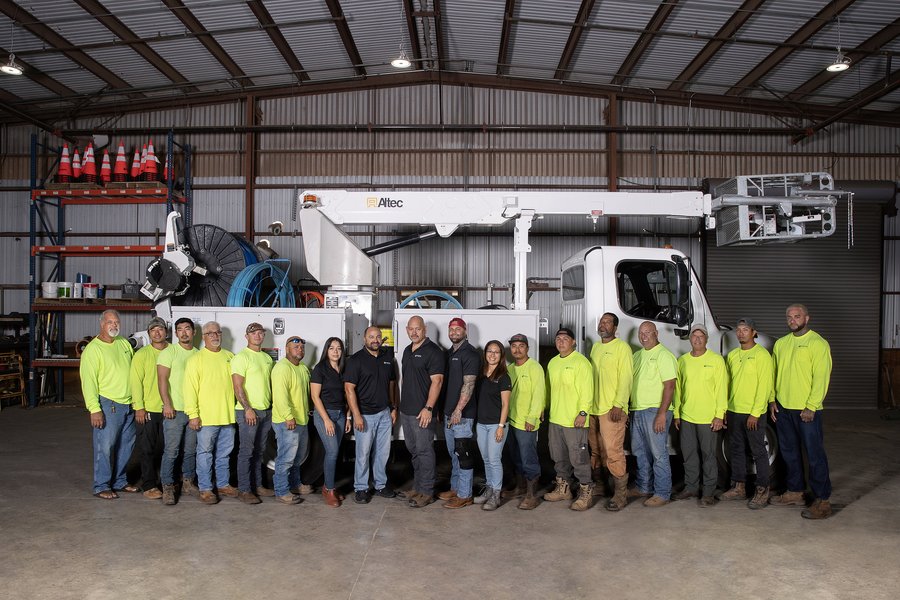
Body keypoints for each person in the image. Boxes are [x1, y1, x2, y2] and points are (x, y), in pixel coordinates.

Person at [770, 304, 834, 519]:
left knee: (814, 455)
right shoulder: (781, 344)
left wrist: (811, 405)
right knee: (789, 453)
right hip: (784, 408)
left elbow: (821, 377)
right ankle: (795, 491)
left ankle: (822, 500)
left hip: (807, 411)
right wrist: (772, 400)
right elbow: (774, 374)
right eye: (789, 317)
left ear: (807, 318)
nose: (793, 320)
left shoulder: (817, 343)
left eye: (797, 316)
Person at [80, 310, 137, 499]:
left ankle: (119, 481)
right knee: (105, 447)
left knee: (126, 446)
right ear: (101, 324)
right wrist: (94, 409)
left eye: (116, 322)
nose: (114, 325)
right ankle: (101, 485)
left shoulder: (123, 343)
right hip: (108, 404)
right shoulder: (93, 350)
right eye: (109, 322)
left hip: (129, 404)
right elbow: (88, 382)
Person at [722, 318, 774, 509]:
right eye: (739, 330)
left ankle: (762, 490)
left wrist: (755, 413)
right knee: (736, 449)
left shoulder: (762, 355)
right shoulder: (733, 355)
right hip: (735, 410)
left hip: (753, 413)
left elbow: (764, 386)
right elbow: (728, 385)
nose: (741, 333)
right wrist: (726, 408)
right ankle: (739, 487)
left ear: (754, 333)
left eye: (746, 329)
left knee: (758, 451)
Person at [184, 321, 237, 505]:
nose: (214, 336)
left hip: (228, 416)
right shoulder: (196, 360)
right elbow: (189, 390)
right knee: (205, 453)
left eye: (217, 332)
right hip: (206, 418)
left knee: (224, 453)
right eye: (210, 333)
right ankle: (206, 489)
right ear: (204, 337)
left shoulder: (230, 356)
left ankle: (222, 484)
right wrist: (193, 414)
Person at [673, 324, 726, 506]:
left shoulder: (716, 360)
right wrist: (677, 413)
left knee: (708, 455)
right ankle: (691, 487)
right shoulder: (682, 361)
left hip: (708, 417)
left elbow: (721, 390)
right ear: (690, 339)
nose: (697, 339)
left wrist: (719, 415)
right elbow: (678, 390)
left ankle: (709, 492)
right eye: (694, 336)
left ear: (706, 339)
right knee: (688, 454)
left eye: (701, 336)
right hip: (687, 416)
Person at [344, 326, 398, 505]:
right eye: (371, 336)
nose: (375, 339)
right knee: (363, 454)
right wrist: (356, 415)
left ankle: (381, 485)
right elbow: (349, 389)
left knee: (383, 453)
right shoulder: (355, 360)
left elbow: (392, 385)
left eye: (378, 336)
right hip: (365, 415)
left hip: (384, 414)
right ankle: (361, 488)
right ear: (364, 339)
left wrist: (393, 407)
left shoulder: (387, 359)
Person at [544, 327, 595, 511]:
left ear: (573, 342)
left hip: (575, 420)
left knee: (579, 458)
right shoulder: (553, 363)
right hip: (556, 418)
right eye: (558, 338)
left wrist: (583, 413)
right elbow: (549, 389)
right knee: (558, 456)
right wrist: (545, 407)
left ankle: (586, 491)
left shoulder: (581, 362)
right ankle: (563, 488)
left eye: (565, 338)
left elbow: (587, 390)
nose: (561, 341)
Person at [587, 313, 633, 512]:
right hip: (593, 408)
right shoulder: (596, 347)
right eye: (601, 321)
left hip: (611, 409)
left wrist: (619, 404)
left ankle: (620, 494)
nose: (602, 324)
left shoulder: (622, 348)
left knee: (613, 452)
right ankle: (600, 485)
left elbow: (626, 378)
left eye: (607, 322)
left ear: (615, 327)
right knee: (596, 450)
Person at [399, 315, 445, 508]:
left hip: (423, 412)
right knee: (414, 450)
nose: (414, 332)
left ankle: (427, 491)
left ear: (424, 329)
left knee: (425, 450)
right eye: (411, 329)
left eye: (418, 328)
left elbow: (438, 381)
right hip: (406, 411)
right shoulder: (407, 350)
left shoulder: (434, 351)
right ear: (407, 330)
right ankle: (418, 487)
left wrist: (428, 408)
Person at [630, 321, 677, 507]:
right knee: (640, 452)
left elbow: (670, 386)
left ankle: (662, 492)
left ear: (656, 333)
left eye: (648, 332)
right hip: (638, 410)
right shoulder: (637, 356)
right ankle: (643, 487)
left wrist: (662, 413)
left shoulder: (664, 355)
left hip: (655, 411)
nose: (643, 336)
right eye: (641, 333)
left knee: (658, 454)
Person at [438, 317, 480, 509]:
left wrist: (458, 410)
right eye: (451, 329)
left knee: (463, 453)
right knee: (453, 453)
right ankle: (456, 488)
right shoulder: (449, 353)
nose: (454, 332)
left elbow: (468, 384)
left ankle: (465, 495)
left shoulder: (470, 353)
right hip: (449, 413)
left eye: (458, 329)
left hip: (462, 414)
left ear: (465, 332)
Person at [157, 317, 200, 505]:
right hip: (174, 411)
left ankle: (188, 483)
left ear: (194, 332)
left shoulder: (198, 354)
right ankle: (167, 486)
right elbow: (162, 380)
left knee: (191, 450)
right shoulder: (169, 352)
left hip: (193, 411)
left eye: (187, 329)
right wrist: (167, 404)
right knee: (172, 450)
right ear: (175, 333)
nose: (184, 332)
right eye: (180, 329)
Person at [231, 322, 275, 504]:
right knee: (246, 452)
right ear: (246, 336)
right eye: (253, 333)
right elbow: (237, 386)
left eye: (260, 333)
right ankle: (244, 490)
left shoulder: (266, 358)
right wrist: (248, 408)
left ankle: (257, 486)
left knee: (259, 451)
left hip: (265, 411)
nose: (257, 335)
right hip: (248, 412)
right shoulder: (241, 357)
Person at [505, 333, 545, 510]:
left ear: (527, 348)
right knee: (516, 456)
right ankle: (520, 487)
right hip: (512, 420)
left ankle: (532, 494)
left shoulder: (534, 368)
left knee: (528, 458)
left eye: (521, 346)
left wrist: (532, 417)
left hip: (526, 422)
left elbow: (539, 394)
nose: (517, 349)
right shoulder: (510, 368)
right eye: (514, 346)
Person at [130, 317, 169, 500]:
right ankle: (149, 485)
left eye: (160, 329)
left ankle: (166, 483)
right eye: (153, 330)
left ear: (166, 332)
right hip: (148, 410)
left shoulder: (173, 352)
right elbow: (135, 383)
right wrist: (139, 407)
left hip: (169, 409)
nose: (157, 332)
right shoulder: (142, 355)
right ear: (149, 334)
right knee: (147, 450)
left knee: (168, 449)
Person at [271, 336, 311, 505]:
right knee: (286, 458)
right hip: (286, 421)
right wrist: (288, 416)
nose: (299, 349)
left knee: (297, 457)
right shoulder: (282, 368)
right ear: (287, 349)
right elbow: (280, 396)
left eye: (302, 347)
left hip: (301, 420)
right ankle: (281, 491)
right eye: (295, 347)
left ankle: (295, 484)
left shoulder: (302, 368)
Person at [311, 336, 350, 504]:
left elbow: (348, 394)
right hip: (324, 415)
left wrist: (347, 416)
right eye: (332, 348)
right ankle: (329, 489)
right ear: (326, 350)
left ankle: (330, 485)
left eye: (339, 348)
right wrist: (326, 419)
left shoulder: (344, 369)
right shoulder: (320, 369)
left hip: (341, 415)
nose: (335, 351)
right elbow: (315, 396)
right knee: (333, 452)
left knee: (335, 453)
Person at [474, 340, 511, 511]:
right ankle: (489, 489)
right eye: (490, 351)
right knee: (486, 459)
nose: (492, 354)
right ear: (485, 353)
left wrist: (501, 426)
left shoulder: (504, 376)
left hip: (497, 424)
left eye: (496, 352)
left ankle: (496, 494)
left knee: (495, 459)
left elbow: (505, 405)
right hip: (482, 424)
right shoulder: (481, 374)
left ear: (501, 355)